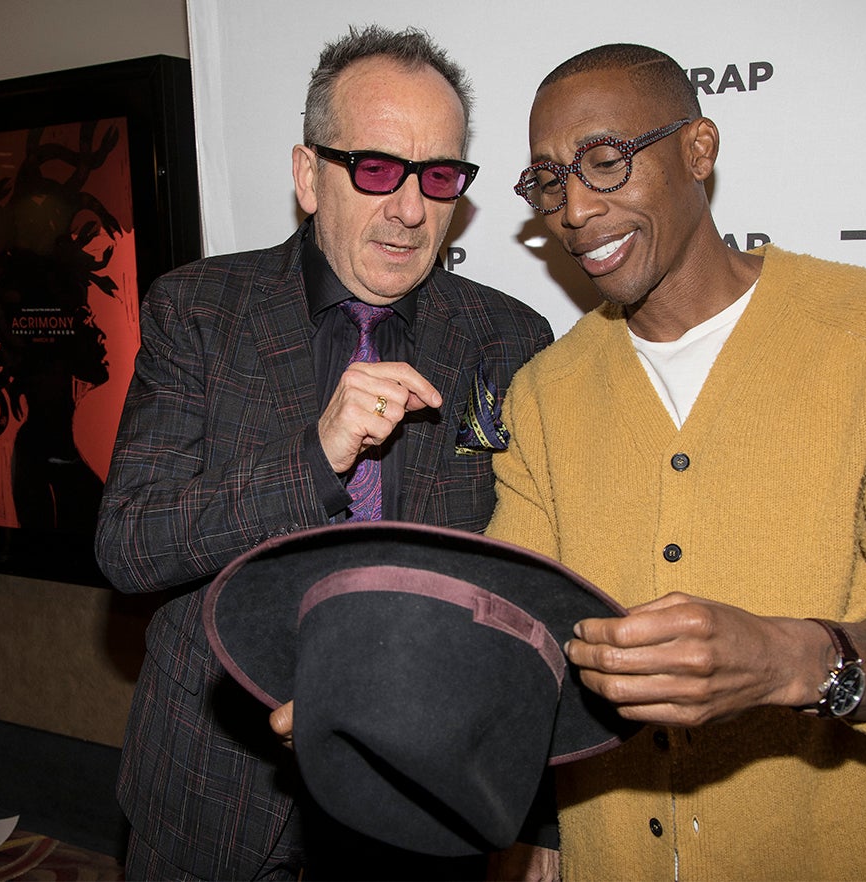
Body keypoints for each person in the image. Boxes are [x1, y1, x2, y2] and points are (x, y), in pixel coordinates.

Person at [485, 43, 866, 881]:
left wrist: (794, 661)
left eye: (605, 162)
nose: (573, 209)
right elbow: (512, 638)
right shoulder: (545, 393)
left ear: (699, 149)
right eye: (547, 182)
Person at [95, 25, 552, 882]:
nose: (410, 210)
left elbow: (522, 585)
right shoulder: (198, 311)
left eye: (439, 176)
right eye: (376, 169)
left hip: (421, 797)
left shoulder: (506, 338)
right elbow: (130, 544)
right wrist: (314, 459)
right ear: (309, 177)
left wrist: (540, 813)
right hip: (213, 789)